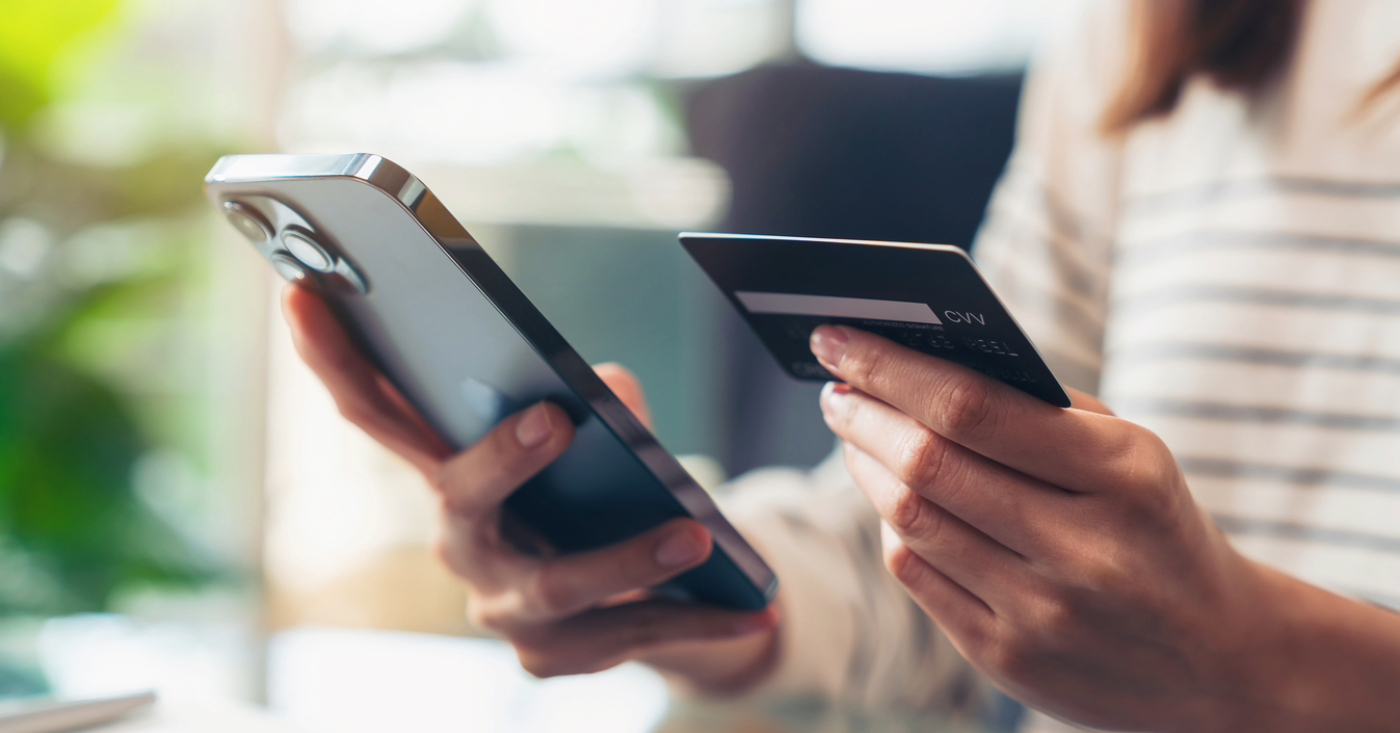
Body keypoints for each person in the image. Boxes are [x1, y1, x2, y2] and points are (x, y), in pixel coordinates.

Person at [280, 1, 1400, 730]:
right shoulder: (1152, 43)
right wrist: (681, 576)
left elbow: (1169, 640)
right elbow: (938, 611)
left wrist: (1247, 656)